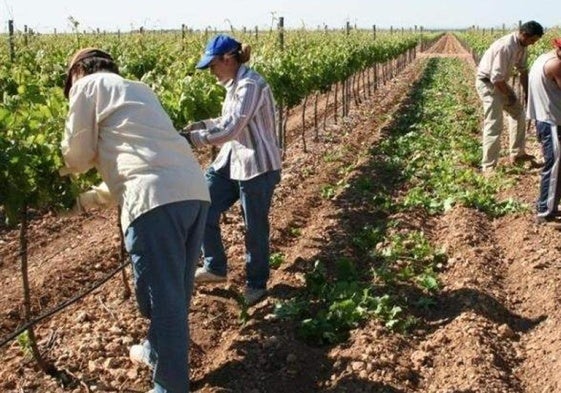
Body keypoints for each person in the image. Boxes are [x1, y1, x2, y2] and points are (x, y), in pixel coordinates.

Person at [60, 48, 210, 393]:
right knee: (175, 293)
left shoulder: (87, 86)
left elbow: (77, 157)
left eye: (69, 85)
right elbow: (134, 166)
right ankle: (156, 351)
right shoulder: (138, 90)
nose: (72, 93)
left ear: (79, 71)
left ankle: (170, 386)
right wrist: (86, 201)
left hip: (155, 203)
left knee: (161, 300)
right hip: (193, 192)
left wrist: (52, 182)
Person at [181, 34, 282, 306]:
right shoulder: (233, 85)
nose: (211, 71)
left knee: (254, 227)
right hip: (231, 160)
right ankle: (215, 266)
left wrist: (193, 140)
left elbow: (231, 128)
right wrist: (198, 126)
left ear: (228, 59)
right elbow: (225, 120)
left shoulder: (250, 85)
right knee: (202, 205)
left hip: (256, 165)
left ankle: (256, 284)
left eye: (212, 65)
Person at [475, 20, 544, 172]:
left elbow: (523, 70)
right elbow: (496, 78)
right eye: (532, 40)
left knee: (519, 113)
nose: (532, 44)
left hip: (501, 83)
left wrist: (527, 93)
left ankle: (517, 154)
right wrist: (510, 95)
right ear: (524, 34)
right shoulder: (506, 46)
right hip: (488, 84)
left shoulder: (522, 45)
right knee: (494, 124)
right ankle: (488, 166)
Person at [527, 38, 561, 225]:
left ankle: (550, 206)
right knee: (554, 165)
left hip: (545, 119)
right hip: (552, 122)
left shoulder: (545, 57)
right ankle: (544, 211)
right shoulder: (556, 65)